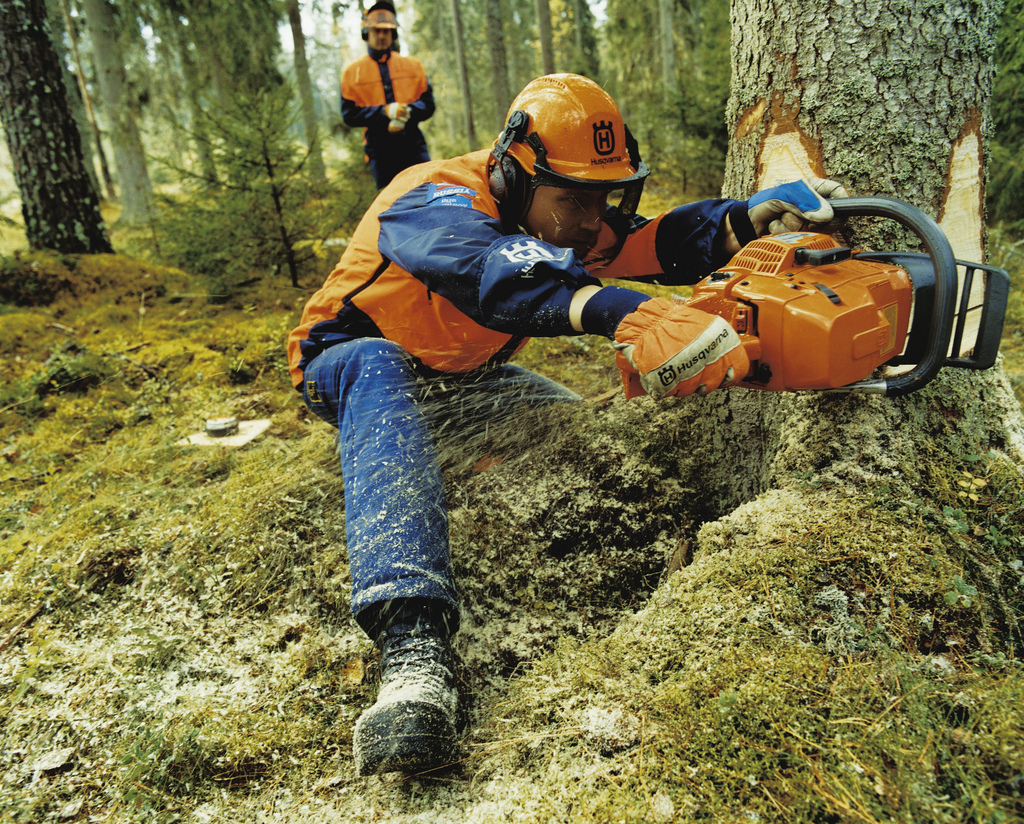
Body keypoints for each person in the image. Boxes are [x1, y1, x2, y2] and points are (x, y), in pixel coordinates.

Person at [287, 73, 847, 776]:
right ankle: (412, 645)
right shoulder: (429, 198)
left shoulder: (559, 217)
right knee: (375, 363)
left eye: (603, 197)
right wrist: (619, 311)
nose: (591, 219)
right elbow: (493, 269)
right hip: (347, 368)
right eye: (575, 200)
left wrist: (743, 220)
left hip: (468, 381)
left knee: (573, 430)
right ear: (517, 174)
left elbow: (650, 243)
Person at [341, 0, 434, 189]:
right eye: (377, 31)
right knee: (390, 204)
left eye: (387, 31)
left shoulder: (413, 66)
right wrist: (384, 112)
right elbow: (349, 114)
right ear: (367, 33)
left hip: (413, 144)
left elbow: (428, 104)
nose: (382, 36)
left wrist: (408, 111)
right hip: (380, 150)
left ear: (393, 34)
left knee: (426, 195)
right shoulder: (353, 73)